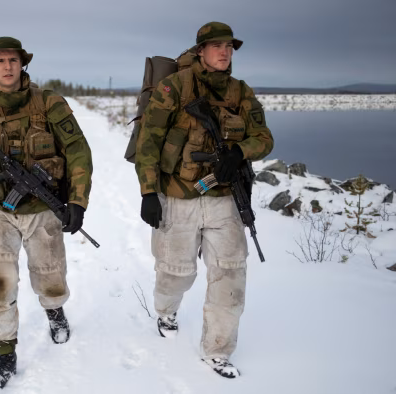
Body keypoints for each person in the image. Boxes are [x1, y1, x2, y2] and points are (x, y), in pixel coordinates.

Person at [0, 37, 93, 389]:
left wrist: (78, 201)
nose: (7, 66)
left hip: (43, 210)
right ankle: (4, 354)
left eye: (13, 60)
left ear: (22, 64)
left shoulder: (50, 104)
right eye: (0, 61)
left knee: (50, 275)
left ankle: (55, 311)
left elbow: (78, 152)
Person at [134, 22, 274, 379]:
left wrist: (240, 151)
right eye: (216, 46)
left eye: (229, 46)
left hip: (225, 200)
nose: (224, 52)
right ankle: (166, 311)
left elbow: (264, 138)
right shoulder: (174, 87)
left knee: (230, 274)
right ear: (200, 51)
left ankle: (218, 350)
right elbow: (148, 141)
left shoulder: (241, 92)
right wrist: (149, 192)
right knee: (174, 272)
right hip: (178, 196)